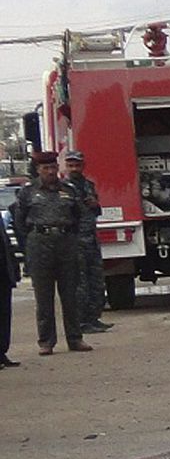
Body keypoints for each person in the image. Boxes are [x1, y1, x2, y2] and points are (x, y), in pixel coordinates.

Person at [15, 151, 92, 355]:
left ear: (57, 168)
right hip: (39, 245)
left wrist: (78, 241)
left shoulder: (69, 190)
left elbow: (81, 216)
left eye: (53, 168)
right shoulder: (28, 191)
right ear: (38, 170)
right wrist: (29, 244)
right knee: (44, 297)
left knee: (70, 295)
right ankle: (46, 342)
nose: (50, 172)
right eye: (45, 168)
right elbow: (19, 221)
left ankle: (75, 338)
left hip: (66, 244)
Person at [62, 150, 112, 333]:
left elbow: (97, 211)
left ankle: (94, 317)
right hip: (75, 241)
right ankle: (81, 322)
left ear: (83, 166)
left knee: (96, 280)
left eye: (77, 165)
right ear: (66, 167)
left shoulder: (89, 185)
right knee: (80, 284)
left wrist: (95, 205)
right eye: (70, 165)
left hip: (91, 239)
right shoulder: (62, 188)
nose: (74, 168)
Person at [1, 211, 19, 368]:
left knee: (4, 313)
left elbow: (5, 241)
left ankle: (2, 352)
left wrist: (13, 266)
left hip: (3, 271)